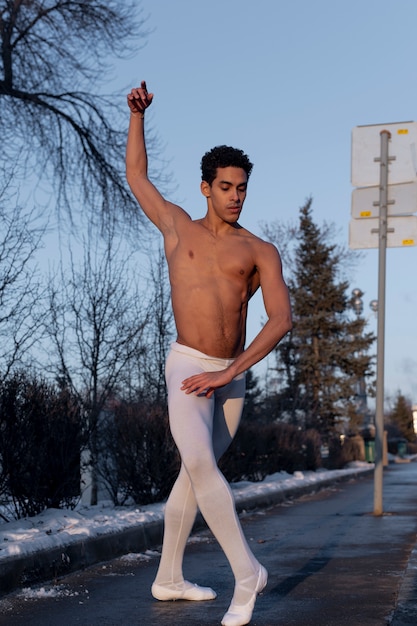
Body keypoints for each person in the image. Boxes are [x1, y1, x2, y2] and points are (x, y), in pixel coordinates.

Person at [126, 81, 292, 626]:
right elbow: (136, 177)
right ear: (205, 188)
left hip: (231, 376)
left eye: (243, 187)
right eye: (226, 187)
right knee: (198, 461)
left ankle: (168, 576)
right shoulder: (176, 227)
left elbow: (281, 319)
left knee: (195, 475)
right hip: (187, 365)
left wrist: (233, 374)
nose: (236, 196)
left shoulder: (260, 250)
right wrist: (137, 118)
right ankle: (248, 574)